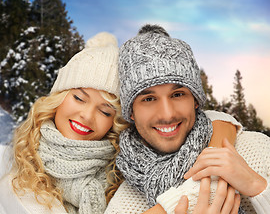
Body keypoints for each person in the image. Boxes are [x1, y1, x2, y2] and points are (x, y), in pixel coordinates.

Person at [105, 24, 270, 214]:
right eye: (149, 99)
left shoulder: (256, 153)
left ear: (196, 100)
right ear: (131, 112)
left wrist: (259, 188)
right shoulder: (123, 205)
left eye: (178, 94)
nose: (167, 114)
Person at [0, 32, 129, 214]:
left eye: (105, 111)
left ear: (114, 123)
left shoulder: (124, 179)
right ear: (58, 98)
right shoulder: (18, 177)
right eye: (79, 98)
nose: (87, 115)